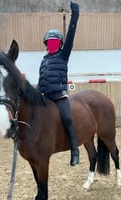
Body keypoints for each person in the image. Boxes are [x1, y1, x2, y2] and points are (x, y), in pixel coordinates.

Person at [37, 1, 80, 166]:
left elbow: (71, 34)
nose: (52, 45)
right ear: (46, 45)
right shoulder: (43, 61)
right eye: (49, 43)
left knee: (68, 119)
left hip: (60, 96)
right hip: (45, 96)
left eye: (55, 43)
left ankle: (75, 151)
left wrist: (75, 13)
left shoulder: (63, 55)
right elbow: (41, 80)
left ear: (60, 45)